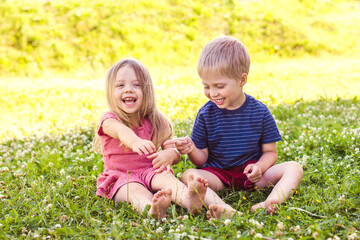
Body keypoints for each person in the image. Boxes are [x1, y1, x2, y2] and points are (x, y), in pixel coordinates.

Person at [165, 36, 303, 218]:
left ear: (242, 79)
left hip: (253, 175)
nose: (212, 93)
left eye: (219, 86)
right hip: (218, 175)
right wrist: (191, 149)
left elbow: (271, 152)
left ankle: (271, 201)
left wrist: (260, 167)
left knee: (294, 168)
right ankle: (223, 208)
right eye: (206, 86)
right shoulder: (206, 114)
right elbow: (201, 160)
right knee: (189, 175)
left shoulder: (260, 111)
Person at [93, 58, 208, 219]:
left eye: (136, 85)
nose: (128, 90)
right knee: (134, 191)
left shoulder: (157, 120)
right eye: (120, 85)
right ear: (111, 92)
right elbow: (120, 131)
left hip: (151, 171)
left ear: (147, 90)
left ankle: (189, 199)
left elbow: (172, 150)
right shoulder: (109, 120)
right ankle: (152, 209)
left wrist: (170, 155)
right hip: (121, 176)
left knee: (168, 180)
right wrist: (135, 142)